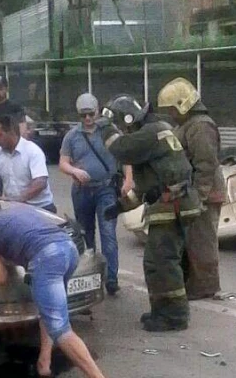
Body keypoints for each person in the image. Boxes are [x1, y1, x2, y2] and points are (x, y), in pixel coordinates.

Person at [0, 191, 116, 378]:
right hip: (69, 251)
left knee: (60, 328)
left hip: (47, 258)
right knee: (49, 312)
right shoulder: (16, 212)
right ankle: (44, 363)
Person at [97, 95, 201, 332]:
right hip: (174, 203)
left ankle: (174, 316)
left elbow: (120, 149)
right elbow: (144, 190)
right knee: (158, 262)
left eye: (121, 126)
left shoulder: (151, 133)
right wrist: (120, 207)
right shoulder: (152, 136)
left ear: (128, 121)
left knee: (162, 262)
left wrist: (104, 127)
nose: (122, 131)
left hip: (173, 206)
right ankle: (162, 311)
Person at [157, 78, 226, 299]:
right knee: (192, 241)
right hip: (194, 193)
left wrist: (199, 197)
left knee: (202, 242)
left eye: (171, 109)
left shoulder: (200, 126)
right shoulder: (189, 125)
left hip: (204, 194)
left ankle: (205, 286)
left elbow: (205, 164)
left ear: (182, 104)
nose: (170, 114)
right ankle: (194, 284)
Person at [59, 93, 133, 296]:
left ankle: (111, 279)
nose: (88, 119)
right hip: (82, 191)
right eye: (83, 116)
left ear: (97, 111)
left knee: (108, 234)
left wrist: (128, 179)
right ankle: (90, 279)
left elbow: (125, 155)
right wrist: (74, 171)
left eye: (91, 114)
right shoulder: (72, 136)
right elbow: (63, 162)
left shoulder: (109, 131)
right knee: (86, 236)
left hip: (106, 188)